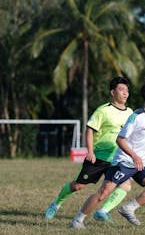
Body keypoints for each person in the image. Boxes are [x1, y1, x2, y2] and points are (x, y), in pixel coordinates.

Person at [71, 80, 145, 228]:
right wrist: (134, 155)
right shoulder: (137, 116)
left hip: (140, 162)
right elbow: (120, 140)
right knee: (103, 193)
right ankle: (78, 220)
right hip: (124, 161)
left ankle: (129, 208)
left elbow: (143, 139)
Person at [44, 77, 133, 224]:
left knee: (125, 185)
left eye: (127, 90)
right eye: (121, 90)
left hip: (118, 158)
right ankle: (56, 204)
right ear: (112, 92)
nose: (125, 93)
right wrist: (90, 151)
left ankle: (103, 212)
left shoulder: (130, 112)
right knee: (77, 186)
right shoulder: (103, 110)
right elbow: (90, 130)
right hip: (98, 156)